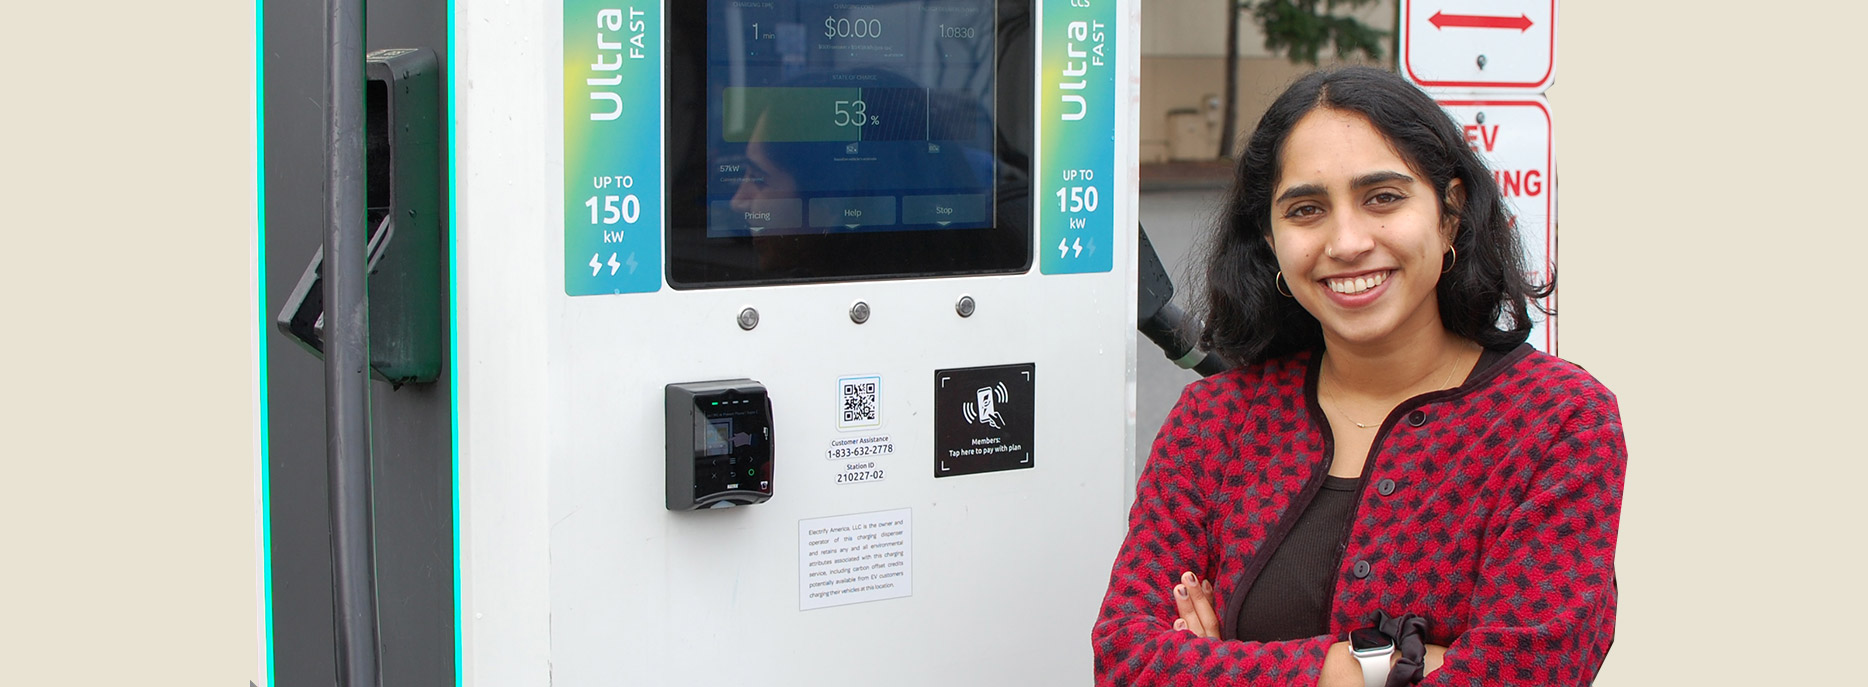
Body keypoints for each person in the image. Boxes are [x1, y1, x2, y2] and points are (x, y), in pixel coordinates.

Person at [1092, 66, 1625, 686]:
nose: (1346, 242)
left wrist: (1214, 667)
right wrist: (1375, 667)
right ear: (1270, 240)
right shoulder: (1216, 420)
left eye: (1383, 197)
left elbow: (1528, 672)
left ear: (1449, 213)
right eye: (1306, 209)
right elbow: (1126, 660)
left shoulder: (1558, 421)